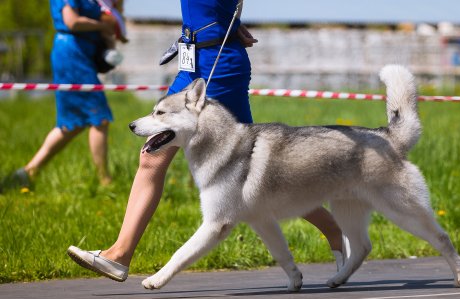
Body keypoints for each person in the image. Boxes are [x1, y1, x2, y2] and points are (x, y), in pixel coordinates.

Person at [67, 0, 348, 283]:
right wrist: (231, 23)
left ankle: (335, 230)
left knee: (254, 169)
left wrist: (228, 24)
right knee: (248, 171)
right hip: (194, 61)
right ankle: (119, 255)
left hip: (217, 65)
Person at [12, 0, 125, 187]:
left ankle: (28, 171)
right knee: (100, 118)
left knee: (71, 124)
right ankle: (104, 180)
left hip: (82, 55)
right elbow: (72, 21)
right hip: (72, 55)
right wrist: (102, 26)